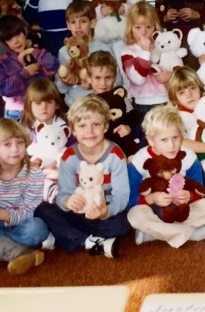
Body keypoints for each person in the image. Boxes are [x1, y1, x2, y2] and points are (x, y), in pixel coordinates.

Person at [34, 95, 132, 258]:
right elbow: (63, 194)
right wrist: (67, 201)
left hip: (104, 212)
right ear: (73, 130)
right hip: (78, 212)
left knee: (122, 226)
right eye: (82, 125)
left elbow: (121, 196)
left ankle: (67, 236)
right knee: (43, 209)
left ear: (106, 126)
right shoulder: (69, 156)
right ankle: (90, 241)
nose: (89, 131)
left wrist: (106, 212)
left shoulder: (115, 155)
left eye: (96, 124)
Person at [127, 106, 205, 247]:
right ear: (151, 140)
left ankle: (155, 234)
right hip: (153, 210)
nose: (172, 145)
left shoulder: (189, 157)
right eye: (164, 140)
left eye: (175, 138)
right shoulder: (139, 160)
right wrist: (151, 198)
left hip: (181, 209)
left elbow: (199, 190)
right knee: (134, 216)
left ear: (182, 136)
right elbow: (130, 199)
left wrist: (190, 196)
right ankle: (193, 234)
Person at [0, 119, 51, 274]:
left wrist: (1, 214)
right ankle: (17, 252)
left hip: (21, 224)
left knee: (38, 229)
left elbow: (28, 211)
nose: (15, 149)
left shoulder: (33, 173)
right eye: (7, 144)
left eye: (20, 143)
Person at [55, 0, 122, 103]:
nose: (77, 26)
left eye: (83, 21)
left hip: (100, 104)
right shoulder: (64, 51)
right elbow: (60, 88)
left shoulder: (103, 48)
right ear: (68, 25)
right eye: (73, 22)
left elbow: (117, 80)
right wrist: (66, 81)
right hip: (74, 105)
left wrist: (94, 84)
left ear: (93, 23)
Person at [166, 67, 205, 192]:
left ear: (200, 88)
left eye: (192, 88)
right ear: (175, 98)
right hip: (198, 159)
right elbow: (181, 142)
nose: (189, 95)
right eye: (182, 92)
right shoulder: (178, 116)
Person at [0, 15, 58, 121]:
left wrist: (34, 52)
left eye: (18, 34)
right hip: (16, 113)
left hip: (41, 110)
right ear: (4, 42)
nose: (16, 41)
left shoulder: (37, 54)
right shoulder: (2, 61)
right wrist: (25, 74)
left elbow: (54, 65)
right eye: (9, 39)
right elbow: (1, 89)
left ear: (25, 32)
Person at [120, 2, 171, 119]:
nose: (143, 32)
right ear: (130, 28)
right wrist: (145, 52)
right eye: (138, 27)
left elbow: (174, 67)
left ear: (156, 27)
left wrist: (170, 75)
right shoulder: (128, 52)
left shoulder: (162, 45)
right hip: (142, 103)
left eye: (148, 27)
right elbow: (137, 79)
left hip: (166, 99)